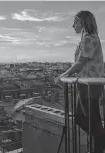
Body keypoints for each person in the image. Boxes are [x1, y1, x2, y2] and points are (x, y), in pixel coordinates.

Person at [54, 11, 105, 153]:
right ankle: (97, 145)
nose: (72, 26)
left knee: (89, 119)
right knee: (83, 118)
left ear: (83, 23)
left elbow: (80, 64)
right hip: (86, 84)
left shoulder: (89, 38)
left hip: (90, 85)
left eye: (75, 22)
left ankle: (98, 146)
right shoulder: (87, 39)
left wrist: (61, 76)